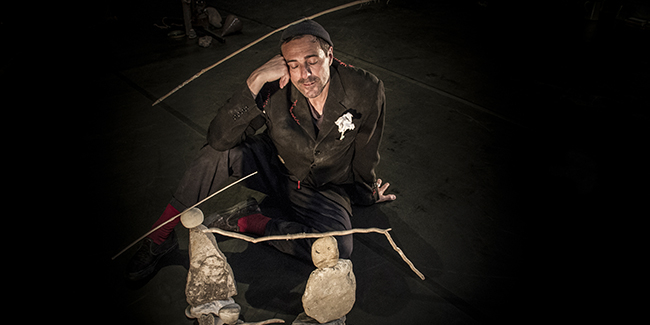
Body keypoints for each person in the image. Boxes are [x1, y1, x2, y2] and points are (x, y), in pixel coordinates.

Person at [126, 20, 396, 281]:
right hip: (275, 167)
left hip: (324, 187)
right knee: (216, 153)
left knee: (336, 249)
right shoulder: (274, 86)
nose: (305, 75)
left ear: (330, 54)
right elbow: (219, 138)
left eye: (312, 61)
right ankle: (159, 237)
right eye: (294, 65)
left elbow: (366, 149)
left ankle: (247, 221)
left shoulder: (365, 88)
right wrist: (255, 80)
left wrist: (368, 193)